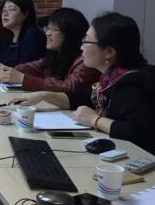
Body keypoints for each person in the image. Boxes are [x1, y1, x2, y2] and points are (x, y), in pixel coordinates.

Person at [10, 12, 155, 154]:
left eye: (86, 41)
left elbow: (139, 132)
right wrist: (43, 95)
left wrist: (94, 120)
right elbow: (80, 98)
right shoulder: (110, 78)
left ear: (109, 51)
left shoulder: (132, 85)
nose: (81, 47)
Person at [0, 7, 100, 92]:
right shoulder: (56, 54)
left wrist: (22, 79)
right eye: (48, 28)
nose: (47, 33)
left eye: (54, 29)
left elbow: (68, 88)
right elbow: (35, 66)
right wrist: (14, 71)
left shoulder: (85, 61)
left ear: (70, 34)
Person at [0, 0, 46, 67]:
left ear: (25, 14)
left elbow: (25, 68)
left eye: (11, 9)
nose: (5, 14)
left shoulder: (32, 35)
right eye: (4, 10)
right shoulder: (7, 34)